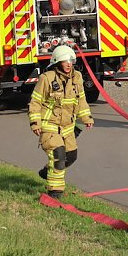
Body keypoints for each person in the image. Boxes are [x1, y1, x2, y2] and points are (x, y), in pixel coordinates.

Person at [28, 45, 94, 198]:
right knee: (58, 155)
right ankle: (55, 193)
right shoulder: (47, 79)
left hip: (68, 128)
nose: (68, 64)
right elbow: (35, 102)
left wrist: (87, 117)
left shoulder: (77, 78)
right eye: (65, 61)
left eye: (70, 61)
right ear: (57, 62)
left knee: (70, 156)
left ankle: (47, 172)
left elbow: (81, 100)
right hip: (50, 126)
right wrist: (35, 122)